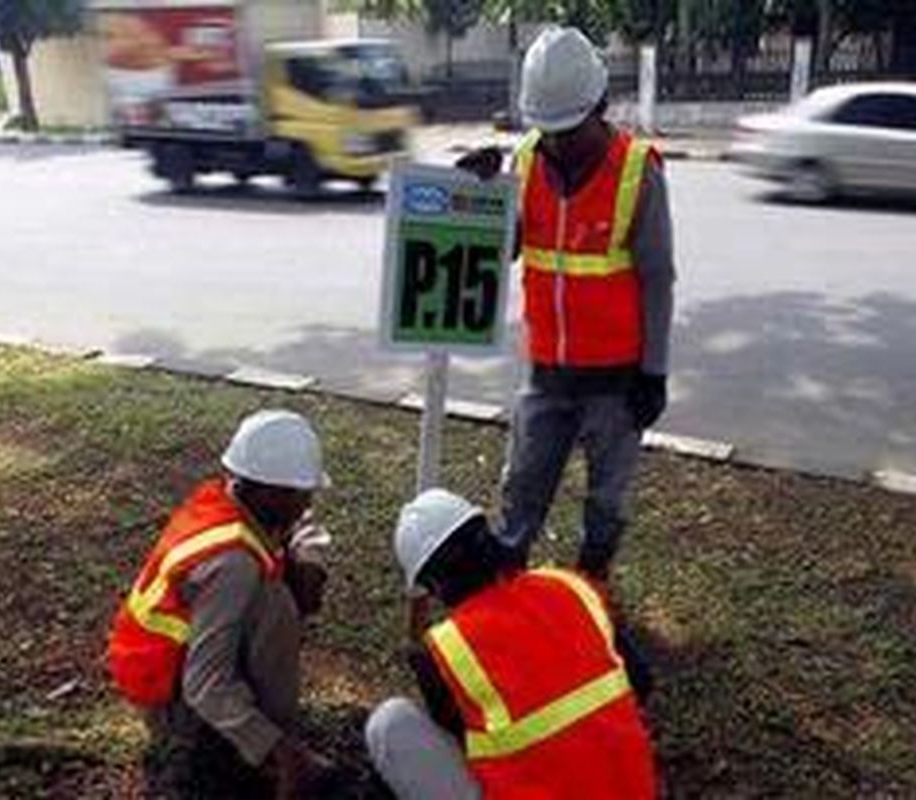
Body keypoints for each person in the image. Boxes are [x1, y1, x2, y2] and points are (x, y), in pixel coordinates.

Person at [457, 26, 676, 582]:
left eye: (567, 131)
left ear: (598, 107)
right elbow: (504, 251)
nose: (555, 143)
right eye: (544, 130)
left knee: (607, 497)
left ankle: (593, 577)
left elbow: (657, 278)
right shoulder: (527, 161)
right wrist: (480, 196)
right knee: (523, 484)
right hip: (547, 373)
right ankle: (510, 574)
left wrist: (654, 373)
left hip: (618, 379)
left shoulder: (637, 170)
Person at [107, 409, 344, 798]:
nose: (307, 503)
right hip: (171, 697)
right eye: (302, 494)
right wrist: (282, 752)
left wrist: (309, 562)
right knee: (276, 607)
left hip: (177, 666)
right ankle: (246, 743)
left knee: (277, 596)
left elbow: (304, 527)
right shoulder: (231, 564)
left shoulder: (231, 497)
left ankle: (251, 734)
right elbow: (206, 684)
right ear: (271, 492)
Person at [366, 489, 658, 799]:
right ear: (488, 538)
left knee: (389, 722)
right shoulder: (567, 586)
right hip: (631, 790)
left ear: (434, 585)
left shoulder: (448, 648)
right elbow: (640, 681)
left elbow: (459, 741)